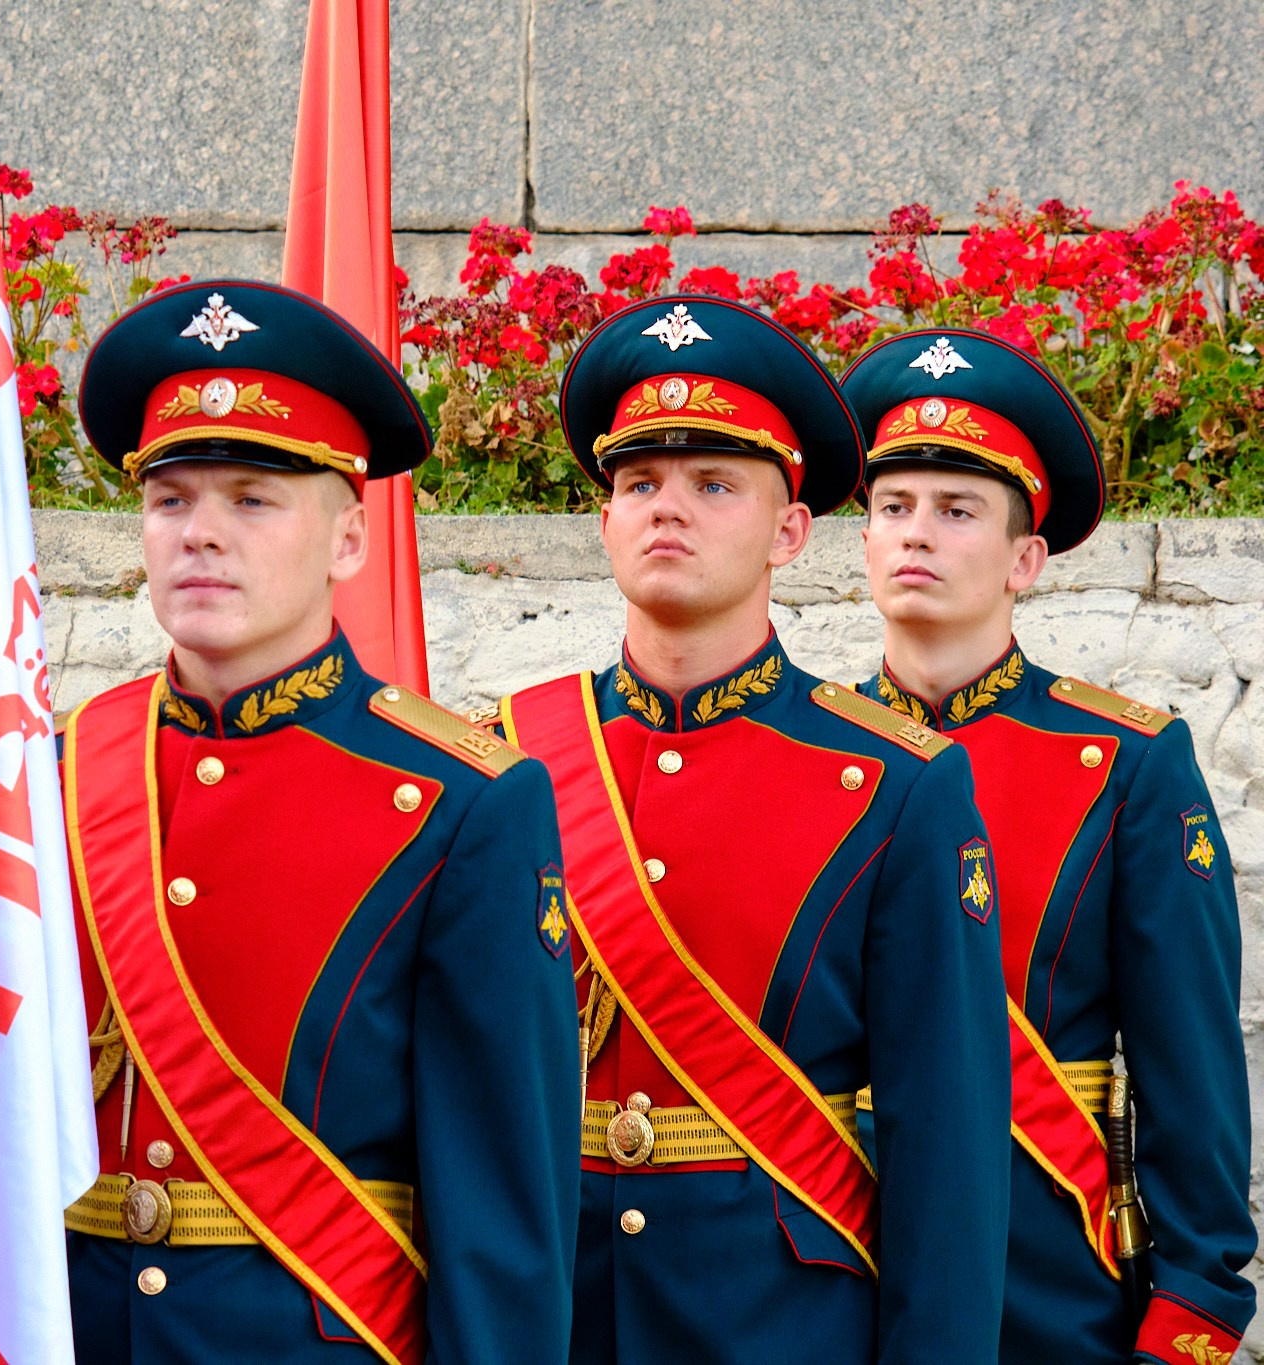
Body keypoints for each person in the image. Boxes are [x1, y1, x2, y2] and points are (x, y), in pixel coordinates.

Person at [59, 280, 579, 1363]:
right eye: (170, 500)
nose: (201, 533)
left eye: (252, 499)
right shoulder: (54, 771)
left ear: (348, 539)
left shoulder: (462, 801)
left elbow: (499, 1211)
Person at [489, 296, 1011, 1363]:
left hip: (781, 1321)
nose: (663, 509)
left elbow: (946, 1146)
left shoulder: (896, 783)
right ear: (602, 524)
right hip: (546, 1316)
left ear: (789, 529)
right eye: (637, 484)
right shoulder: (503, 758)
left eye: (712, 484)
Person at [844, 327, 1256, 1364]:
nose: (913, 536)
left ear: (1024, 558)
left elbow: (1187, 1065)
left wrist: (1195, 1295)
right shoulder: (812, 753)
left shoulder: (1124, 763)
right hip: (824, 1256)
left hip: (1042, 1272)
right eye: (891, 508)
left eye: (954, 511)